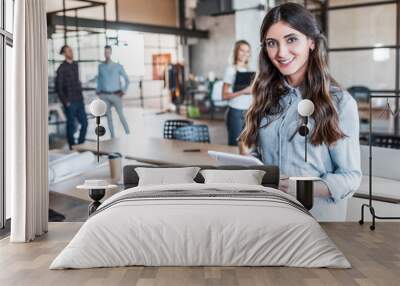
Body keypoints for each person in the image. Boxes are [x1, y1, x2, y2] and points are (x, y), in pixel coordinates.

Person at [239, 3, 362, 221]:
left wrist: (301, 188)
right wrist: (251, 165)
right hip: (270, 217)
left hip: (317, 222)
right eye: (272, 43)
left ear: (311, 42)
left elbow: (350, 177)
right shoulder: (266, 97)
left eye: (291, 39)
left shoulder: (339, 102)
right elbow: (263, 155)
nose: (281, 52)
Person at [55, 45, 88, 149]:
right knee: (71, 125)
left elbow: (77, 82)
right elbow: (59, 88)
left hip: (79, 100)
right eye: (69, 51)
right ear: (64, 54)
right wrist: (66, 102)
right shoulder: (61, 68)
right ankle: (72, 146)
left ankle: (80, 144)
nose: (71, 52)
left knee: (85, 123)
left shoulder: (75, 65)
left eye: (71, 50)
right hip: (70, 102)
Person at [222, 40, 253, 146]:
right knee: (234, 145)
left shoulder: (248, 70)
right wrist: (244, 91)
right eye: (242, 50)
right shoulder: (230, 70)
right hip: (235, 112)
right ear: (236, 51)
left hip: (248, 112)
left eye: (247, 51)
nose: (245, 54)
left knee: (245, 145)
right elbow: (224, 95)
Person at [96, 45, 130, 138]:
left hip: (116, 95)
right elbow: (99, 80)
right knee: (109, 118)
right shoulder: (100, 66)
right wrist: (98, 91)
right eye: (105, 52)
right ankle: (112, 137)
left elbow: (127, 80)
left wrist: (123, 91)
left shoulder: (118, 66)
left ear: (110, 53)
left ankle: (128, 134)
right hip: (104, 95)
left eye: (108, 52)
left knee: (121, 116)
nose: (106, 54)